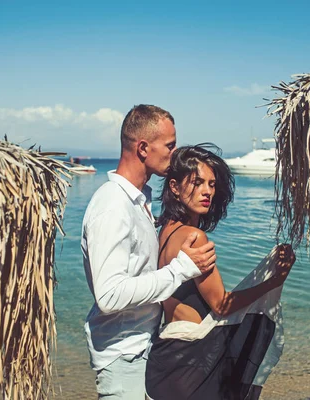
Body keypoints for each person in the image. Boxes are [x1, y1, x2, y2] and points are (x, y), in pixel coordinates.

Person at [82, 105, 217, 399]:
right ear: (143, 148)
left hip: (143, 351)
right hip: (123, 357)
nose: (175, 152)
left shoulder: (138, 202)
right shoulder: (113, 206)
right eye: (169, 145)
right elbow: (108, 295)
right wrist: (181, 268)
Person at [145, 144, 296, 400]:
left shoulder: (165, 231)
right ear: (174, 187)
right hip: (190, 364)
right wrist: (273, 281)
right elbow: (223, 305)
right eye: (197, 182)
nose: (207, 192)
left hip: (166, 356)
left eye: (212, 184)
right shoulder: (194, 237)